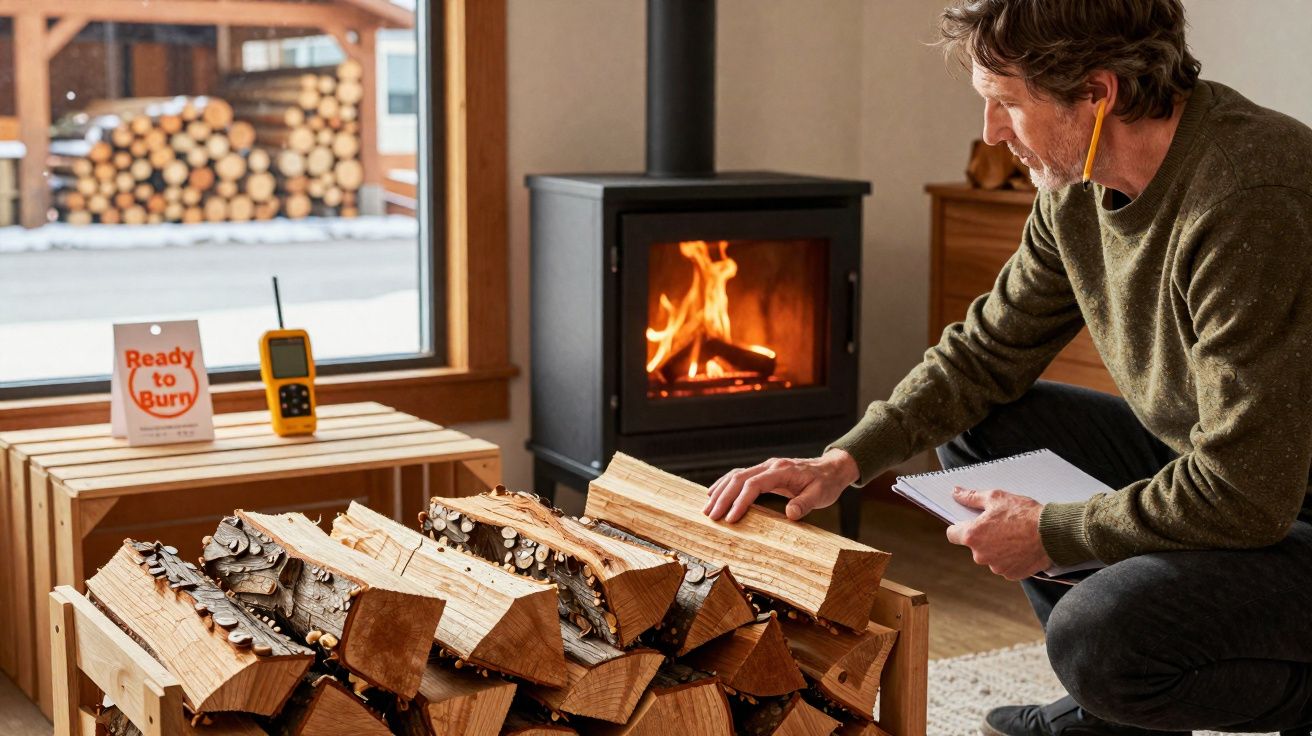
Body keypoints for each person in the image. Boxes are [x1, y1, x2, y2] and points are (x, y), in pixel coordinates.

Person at [704, 1, 1312, 734]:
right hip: (1244, 477)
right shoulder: (1078, 188)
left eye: (1005, 104)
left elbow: (1247, 494)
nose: (991, 133)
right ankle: (1111, 719)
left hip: (1280, 502)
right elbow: (984, 355)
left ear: (1096, 93)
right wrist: (843, 461)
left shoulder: (1249, 199)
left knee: (1099, 639)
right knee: (987, 430)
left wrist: (1055, 530)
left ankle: (1119, 693)